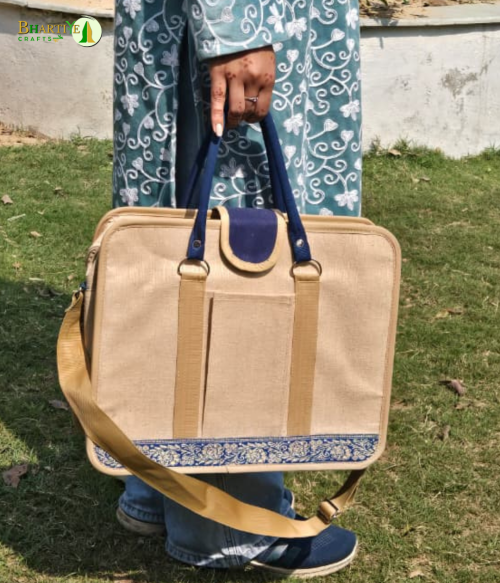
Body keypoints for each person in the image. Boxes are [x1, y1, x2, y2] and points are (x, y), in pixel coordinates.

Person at [112, 0, 362, 577]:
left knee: (176, 235)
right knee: (241, 253)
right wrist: (234, 30)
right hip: (247, 24)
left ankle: (156, 489)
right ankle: (229, 524)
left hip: (215, 27)